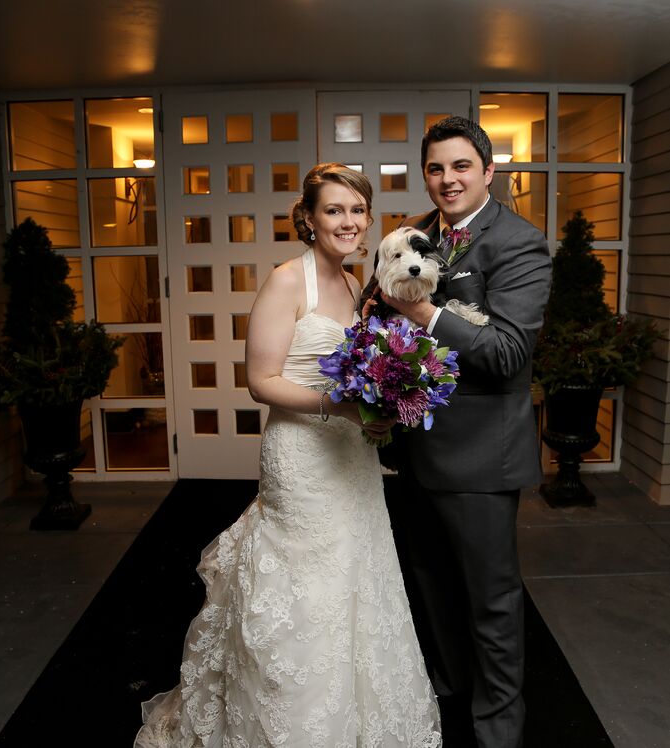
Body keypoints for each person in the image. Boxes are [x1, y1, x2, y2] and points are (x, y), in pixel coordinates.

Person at [134, 163, 442, 747]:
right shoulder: (284, 281)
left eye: (357, 210)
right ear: (308, 218)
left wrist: (385, 403)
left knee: (359, 573)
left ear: (368, 219)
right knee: (305, 586)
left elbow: (369, 370)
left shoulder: (358, 286)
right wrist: (340, 408)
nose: (347, 222)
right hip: (302, 456)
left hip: (352, 456)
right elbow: (260, 380)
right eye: (334, 210)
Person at [363, 117, 552, 748]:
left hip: (480, 457)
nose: (447, 179)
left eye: (461, 166)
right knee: (432, 578)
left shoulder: (519, 242)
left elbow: (505, 355)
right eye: (437, 168)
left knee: (492, 600)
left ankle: (499, 730)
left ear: (489, 171)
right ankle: (449, 690)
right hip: (416, 449)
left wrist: (419, 308)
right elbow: (378, 301)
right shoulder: (422, 233)